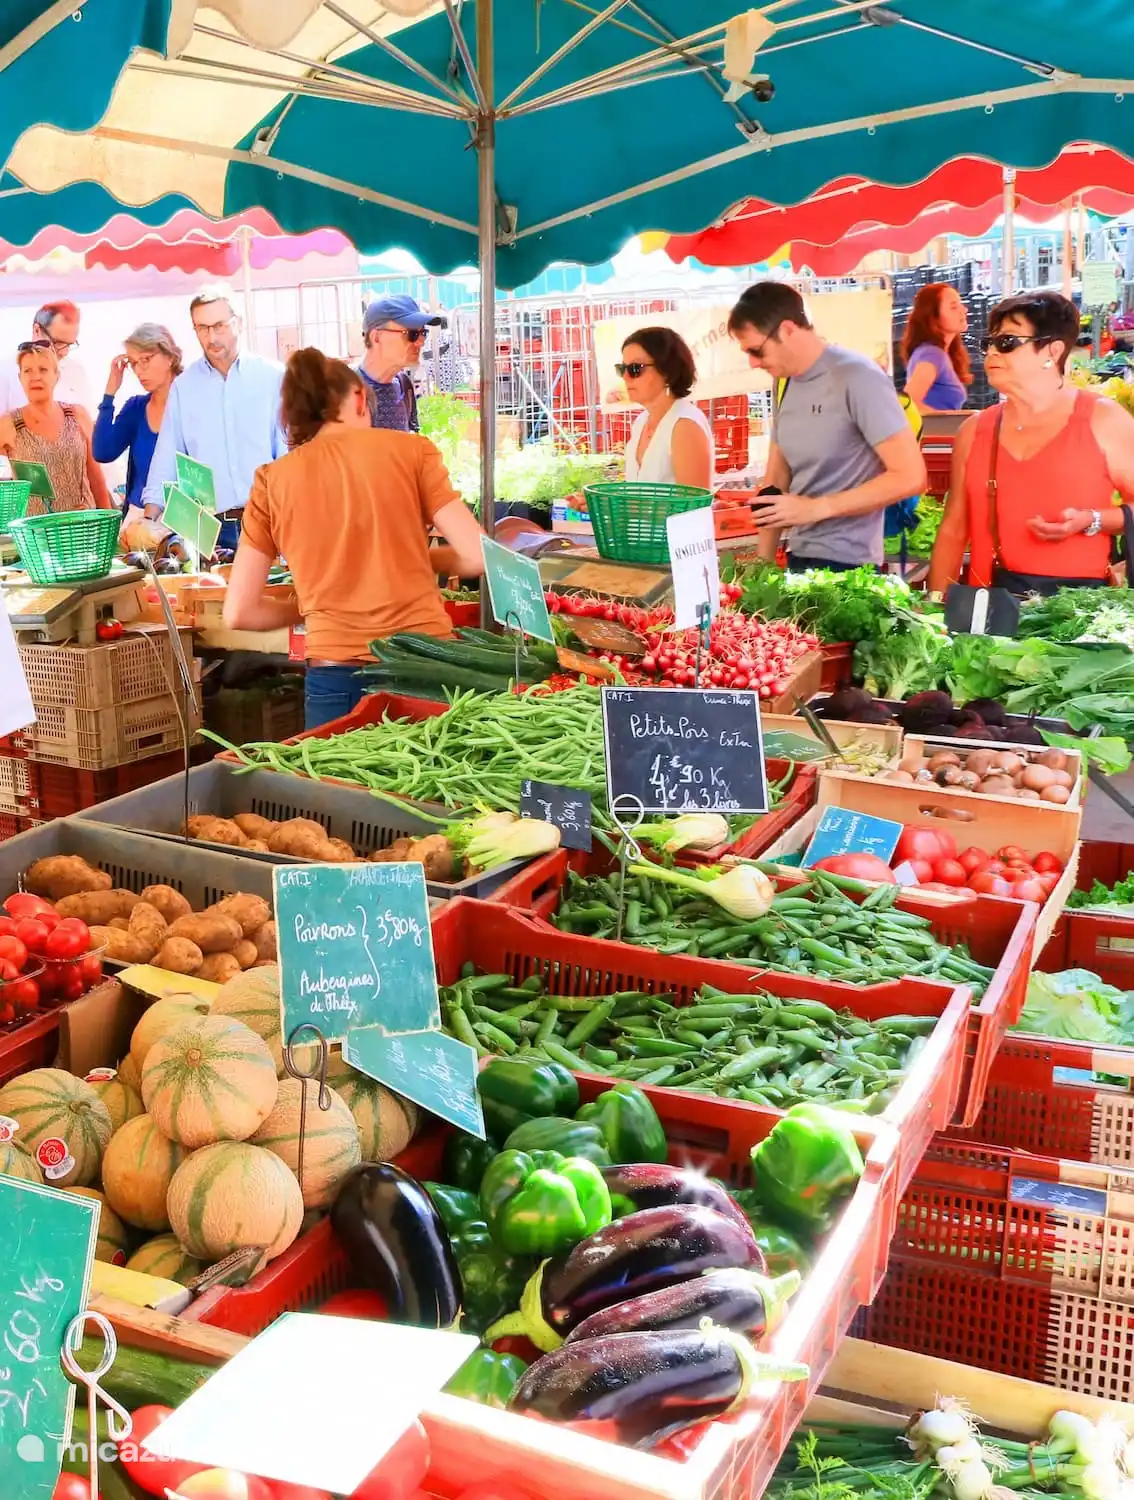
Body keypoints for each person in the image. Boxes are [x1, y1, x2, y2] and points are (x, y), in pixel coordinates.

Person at [224, 348, 485, 730]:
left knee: (345, 789)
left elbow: (238, 613)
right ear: (360, 397)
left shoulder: (272, 480)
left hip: (336, 678)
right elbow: (479, 555)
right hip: (426, 668)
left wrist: (313, 605)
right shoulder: (412, 452)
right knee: (430, 790)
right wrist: (426, 562)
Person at [929, 290, 1134, 596]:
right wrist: (934, 604)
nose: (992, 353)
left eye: (1007, 342)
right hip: (991, 611)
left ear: (1052, 351)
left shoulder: (1103, 419)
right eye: (990, 343)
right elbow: (953, 529)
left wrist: (1092, 519)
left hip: (1078, 618)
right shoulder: (974, 431)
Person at [728, 282, 926, 571]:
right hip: (799, 557)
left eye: (757, 351)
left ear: (787, 330)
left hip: (851, 568)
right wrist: (763, 564)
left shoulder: (858, 376)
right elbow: (776, 477)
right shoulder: (784, 381)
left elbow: (911, 476)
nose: (752, 362)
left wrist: (816, 508)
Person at [142, 283, 286, 549]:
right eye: (202, 328)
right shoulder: (184, 387)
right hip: (207, 532)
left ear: (238, 323)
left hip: (270, 522)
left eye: (219, 326)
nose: (211, 338)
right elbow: (167, 458)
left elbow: (288, 454)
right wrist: (148, 519)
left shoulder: (274, 378)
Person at [0, 342, 112, 512]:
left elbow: (96, 478)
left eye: (43, 370)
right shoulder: (9, 423)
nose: (35, 377)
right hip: (37, 533)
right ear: (20, 378)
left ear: (56, 376)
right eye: (27, 371)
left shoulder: (77, 415)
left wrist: (111, 524)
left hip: (85, 526)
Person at [93, 323, 183, 511]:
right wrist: (110, 393)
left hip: (183, 518)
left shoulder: (193, 405)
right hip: (139, 519)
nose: (139, 371)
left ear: (170, 357)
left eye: (146, 359)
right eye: (133, 363)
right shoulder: (136, 408)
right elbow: (103, 452)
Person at [619, 327, 713, 488]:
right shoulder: (641, 422)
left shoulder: (685, 424)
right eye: (622, 369)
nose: (625, 377)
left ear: (667, 371)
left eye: (635, 369)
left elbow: (692, 506)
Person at [357, 294, 441, 432]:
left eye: (423, 333)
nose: (420, 342)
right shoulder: (341, 390)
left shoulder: (404, 384)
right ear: (376, 337)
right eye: (412, 334)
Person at [0, 300, 92, 413]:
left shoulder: (76, 371)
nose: (64, 352)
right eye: (58, 343)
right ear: (36, 330)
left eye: (70, 344)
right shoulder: (4, 372)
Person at [901, 283, 971, 413]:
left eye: (960, 304)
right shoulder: (932, 354)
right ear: (934, 317)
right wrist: (950, 420)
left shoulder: (935, 353)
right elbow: (909, 404)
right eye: (953, 307)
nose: (964, 310)